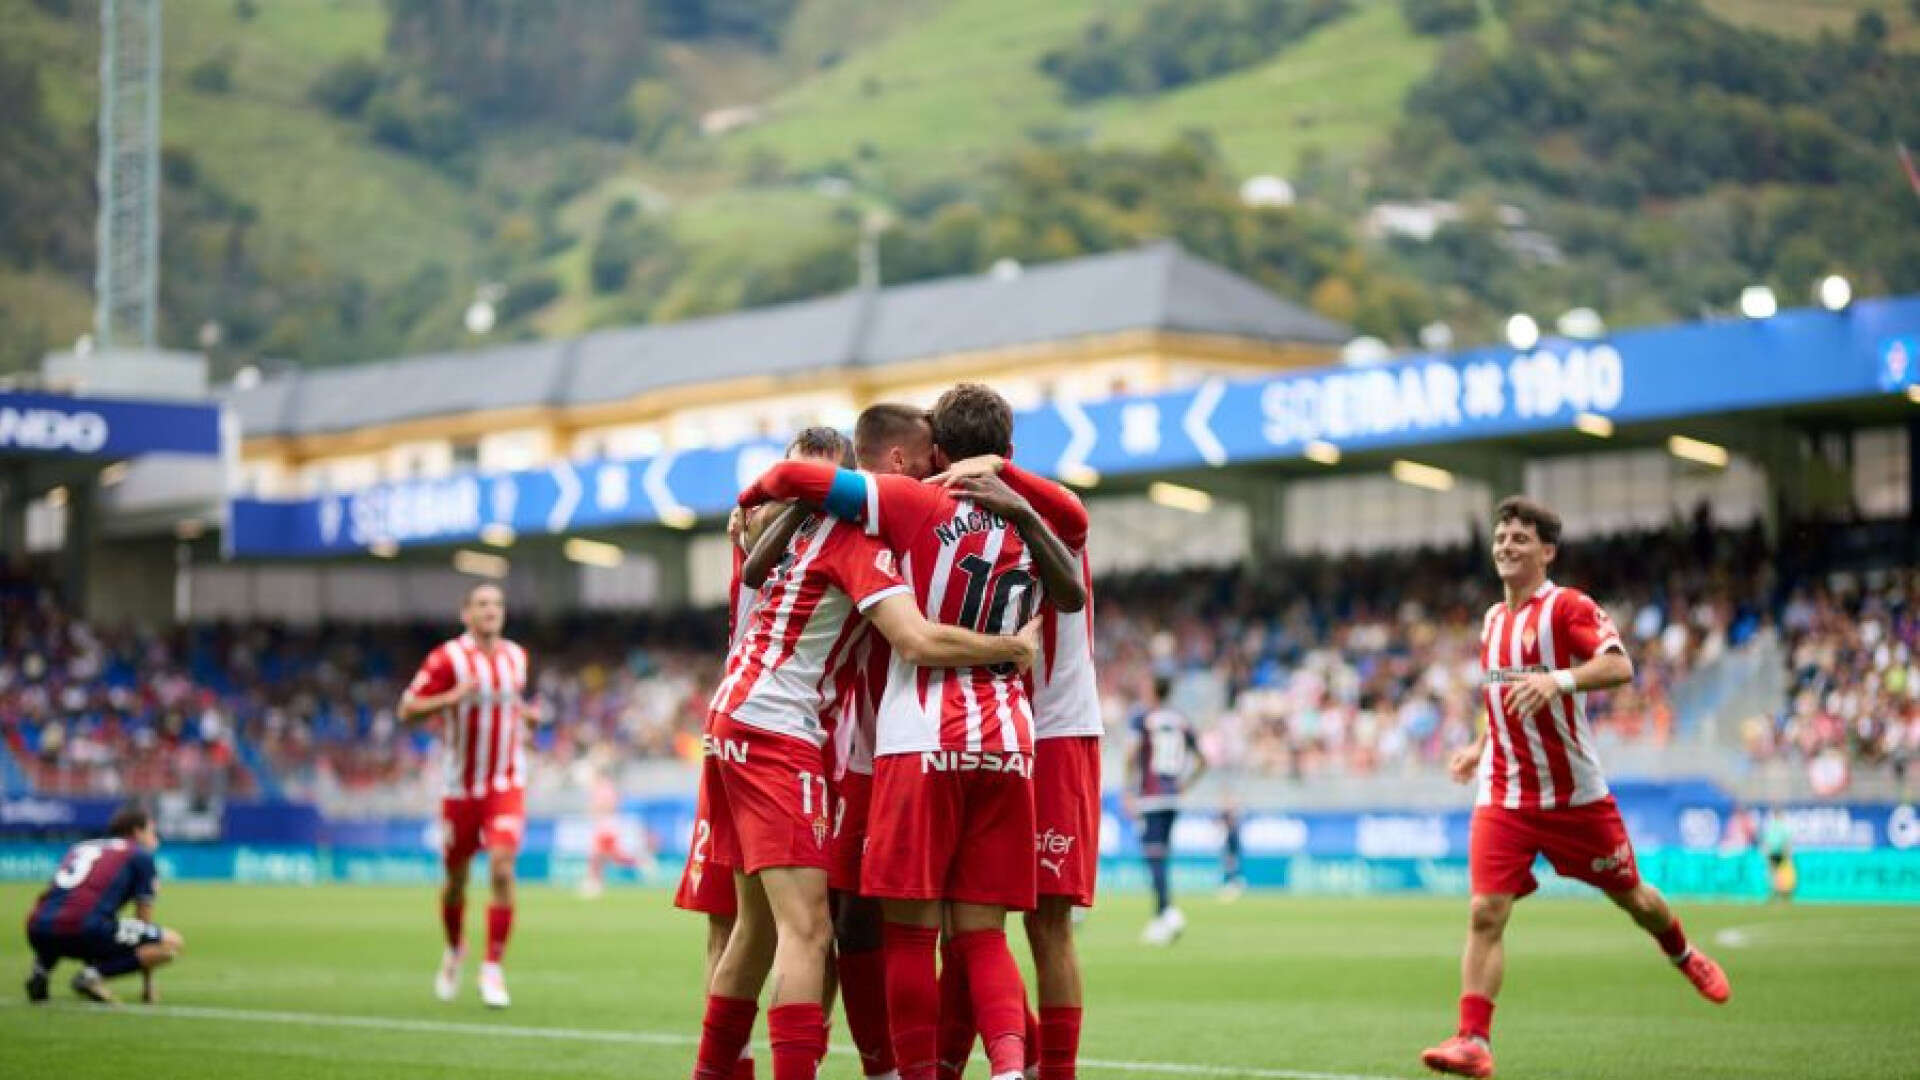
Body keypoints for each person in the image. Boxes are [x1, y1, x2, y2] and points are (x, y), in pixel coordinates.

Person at [736, 383, 1089, 1080]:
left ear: (937, 452)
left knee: (908, 933)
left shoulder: (913, 501)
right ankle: (1014, 1069)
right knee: (985, 935)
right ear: (1008, 450)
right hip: (1010, 735)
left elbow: (788, 479)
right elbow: (1071, 580)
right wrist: (1012, 485)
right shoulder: (1035, 515)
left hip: (919, 736)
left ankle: (913, 1073)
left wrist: (762, 505)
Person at [1420, 496, 1731, 1079]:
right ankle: (1473, 1040)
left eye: (1519, 538)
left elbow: (1619, 667)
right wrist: (1480, 744)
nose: (1506, 546)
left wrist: (1558, 680)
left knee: (1634, 897)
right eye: (1500, 537)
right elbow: (1500, 694)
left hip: (1574, 798)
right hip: (1505, 796)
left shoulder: (1567, 607)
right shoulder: (1492, 620)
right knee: (1486, 911)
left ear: (1547, 551)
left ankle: (1684, 955)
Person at [679, 426, 854, 1080]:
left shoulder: (781, 527)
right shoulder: (763, 529)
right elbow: (755, 553)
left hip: (750, 722)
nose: (799, 494)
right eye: (794, 480)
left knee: (760, 926)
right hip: (767, 727)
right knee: (763, 926)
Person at [920, 449, 1097, 1080]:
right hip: (993, 730)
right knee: (964, 924)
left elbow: (1074, 533)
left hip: (1055, 729)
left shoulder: (1046, 512)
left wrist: (1009, 479)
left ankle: (1055, 1071)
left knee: (1045, 923)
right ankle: (986, 1061)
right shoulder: (953, 519)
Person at [399, 581, 537, 1009]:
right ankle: (455, 948)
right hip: (460, 789)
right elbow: (406, 711)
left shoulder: (517, 657)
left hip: (505, 782)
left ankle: (492, 967)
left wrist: (525, 718)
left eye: (497, 603)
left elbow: (511, 705)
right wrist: (450, 698)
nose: (491, 610)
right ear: (466, 613)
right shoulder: (447, 659)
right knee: (456, 881)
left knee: (501, 868)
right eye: (482, 604)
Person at [25, 805, 184, 1005]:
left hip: (37, 928)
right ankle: (92, 976)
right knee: (171, 943)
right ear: (137, 832)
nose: (156, 838)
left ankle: (41, 972)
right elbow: (144, 923)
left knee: (61, 918)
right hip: (85, 930)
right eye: (152, 831)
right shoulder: (140, 855)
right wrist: (148, 983)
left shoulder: (81, 847)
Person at [1127, 675, 1205, 945]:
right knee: (1161, 856)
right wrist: (1184, 784)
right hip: (1173, 796)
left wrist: (1128, 791)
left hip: (1151, 796)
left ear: (1152, 689)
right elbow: (1203, 760)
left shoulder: (1143, 717)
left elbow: (1130, 754)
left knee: (1153, 856)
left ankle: (1167, 912)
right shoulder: (1181, 719)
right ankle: (1162, 916)